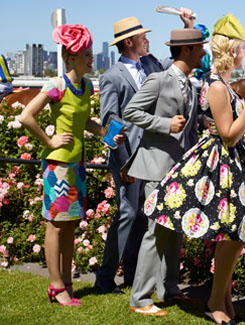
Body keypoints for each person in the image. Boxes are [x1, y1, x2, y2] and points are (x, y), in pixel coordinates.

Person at [140, 14, 245, 324]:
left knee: (235, 235)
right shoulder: (216, 85)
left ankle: (223, 298)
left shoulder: (223, 83)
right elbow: (226, 134)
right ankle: (216, 300)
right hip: (222, 163)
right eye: (242, 47)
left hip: (233, 161)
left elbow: (232, 129)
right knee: (230, 234)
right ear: (231, 49)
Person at [18, 24, 125, 306]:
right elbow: (26, 116)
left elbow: (85, 122)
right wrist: (49, 140)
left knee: (70, 224)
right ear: (71, 57)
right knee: (55, 225)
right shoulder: (57, 85)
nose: (93, 59)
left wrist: (106, 132)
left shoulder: (86, 85)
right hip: (58, 166)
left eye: (91, 54)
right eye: (88, 55)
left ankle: (65, 283)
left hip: (77, 164)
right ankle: (55, 286)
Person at [95, 10, 194, 295]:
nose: (147, 39)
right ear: (128, 43)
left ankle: (132, 275)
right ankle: (104, 278)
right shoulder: (111, 77)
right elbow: (110, 124)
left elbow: (178, 62)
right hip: (127, 158)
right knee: (127, 214)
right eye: (142, 36)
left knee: (144, 215)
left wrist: (185, 27)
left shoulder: (153, 65)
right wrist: (123, 162)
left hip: (152, 156)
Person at [123, 28, 205, 316]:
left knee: (175, 231)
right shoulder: (158, 80)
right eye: (199, 49)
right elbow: (130, 112)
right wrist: (164, 123)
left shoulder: (192, 86)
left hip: (181, 169)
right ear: (186, 51)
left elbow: (193, 130)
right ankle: (141, 299)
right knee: (156, 232)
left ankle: (169, 289)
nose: (203, 53)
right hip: (157, 166)